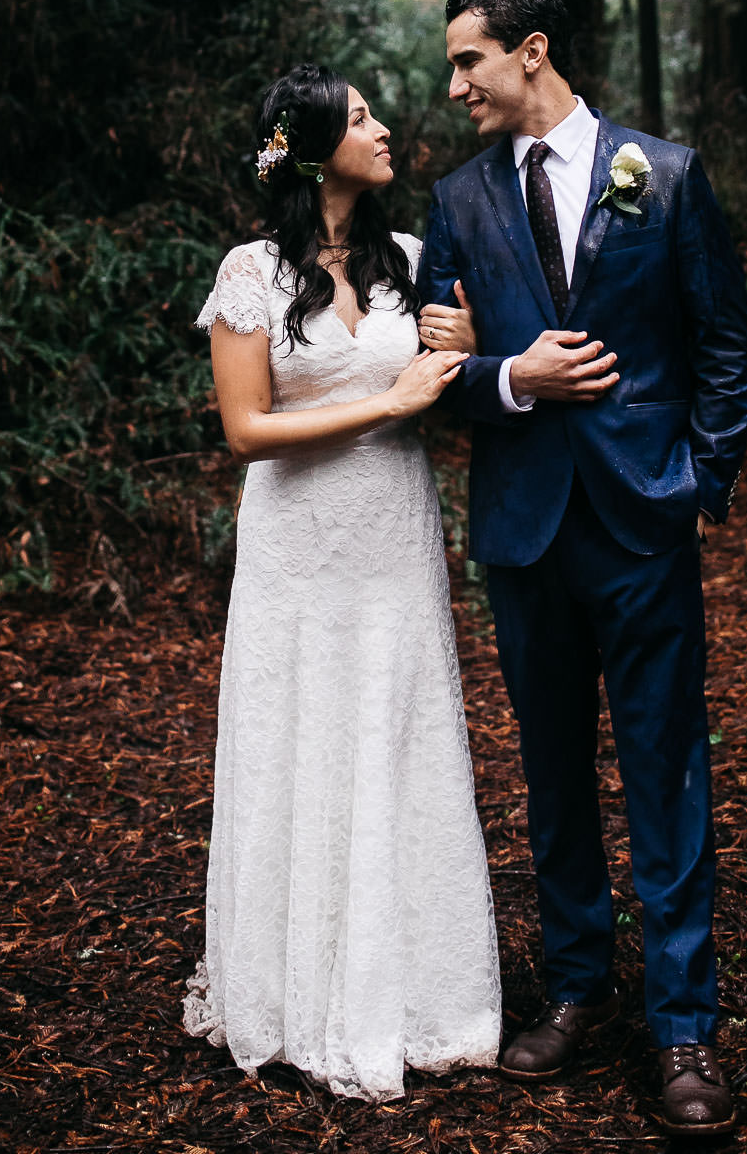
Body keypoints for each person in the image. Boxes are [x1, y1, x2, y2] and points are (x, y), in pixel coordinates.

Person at [416, 0, 747, 1137]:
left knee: (666, 773)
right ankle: (576, 989)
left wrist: (696, 485)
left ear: (532, 52)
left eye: (469, 60)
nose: (454, 83)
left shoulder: (663, 175)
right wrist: (512, 377)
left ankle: (683, 1027)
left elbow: (725, 343)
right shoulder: (456, 202)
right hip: (523, 533)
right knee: (554, 777)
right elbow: (430, 369)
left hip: (642, 524)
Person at [183, 63, 501, 1101]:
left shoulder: (410, 259)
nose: (388, 126)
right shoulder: (249, 275)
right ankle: (290, 989)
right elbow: (246, 430)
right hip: (299, 552)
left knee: (397, 737)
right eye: (363, 117)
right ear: (316, 149)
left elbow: (447, 382)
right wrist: (387, 403)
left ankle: (417, 994)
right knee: (302, 738)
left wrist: (462, 351)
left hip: (394, 545)